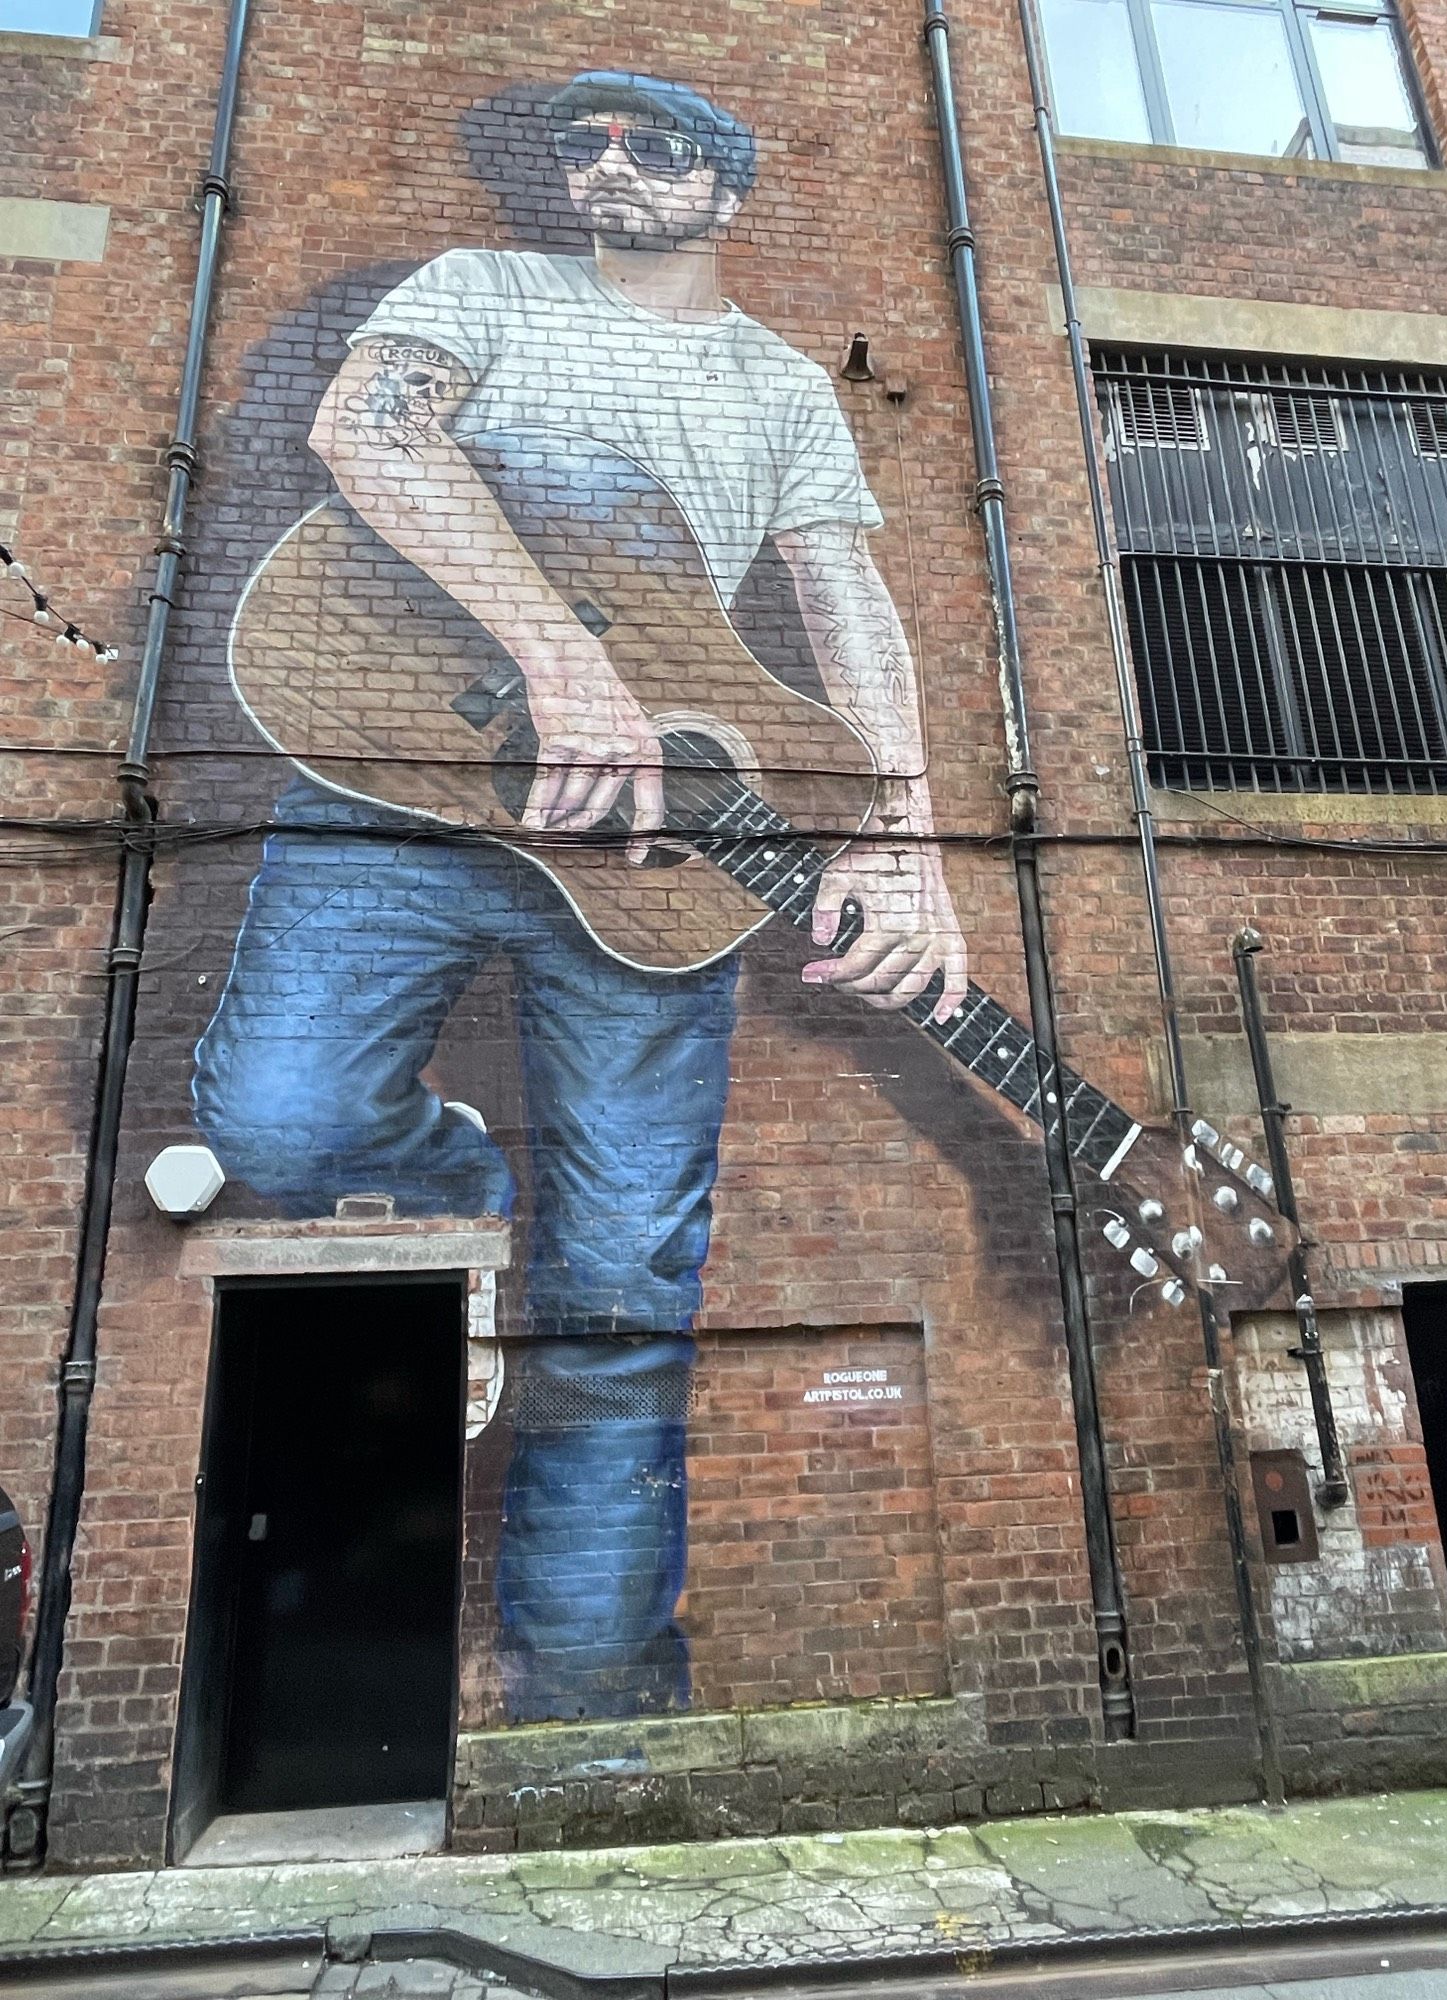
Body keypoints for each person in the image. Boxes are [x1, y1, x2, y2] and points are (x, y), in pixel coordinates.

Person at [194, 70, 969, 1720]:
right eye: (585, 143)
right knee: (270, 1125)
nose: (608, 164)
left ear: (727, 190)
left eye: (654, 144)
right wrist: (563, 663)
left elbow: (852, 608)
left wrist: (907, 851)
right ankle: (448, 1165)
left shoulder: (783, 390)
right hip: (393, 767)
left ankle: (597, 1701)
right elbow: (366, 432)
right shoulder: (479, 289)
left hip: (646, 877)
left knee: (623, 1283)